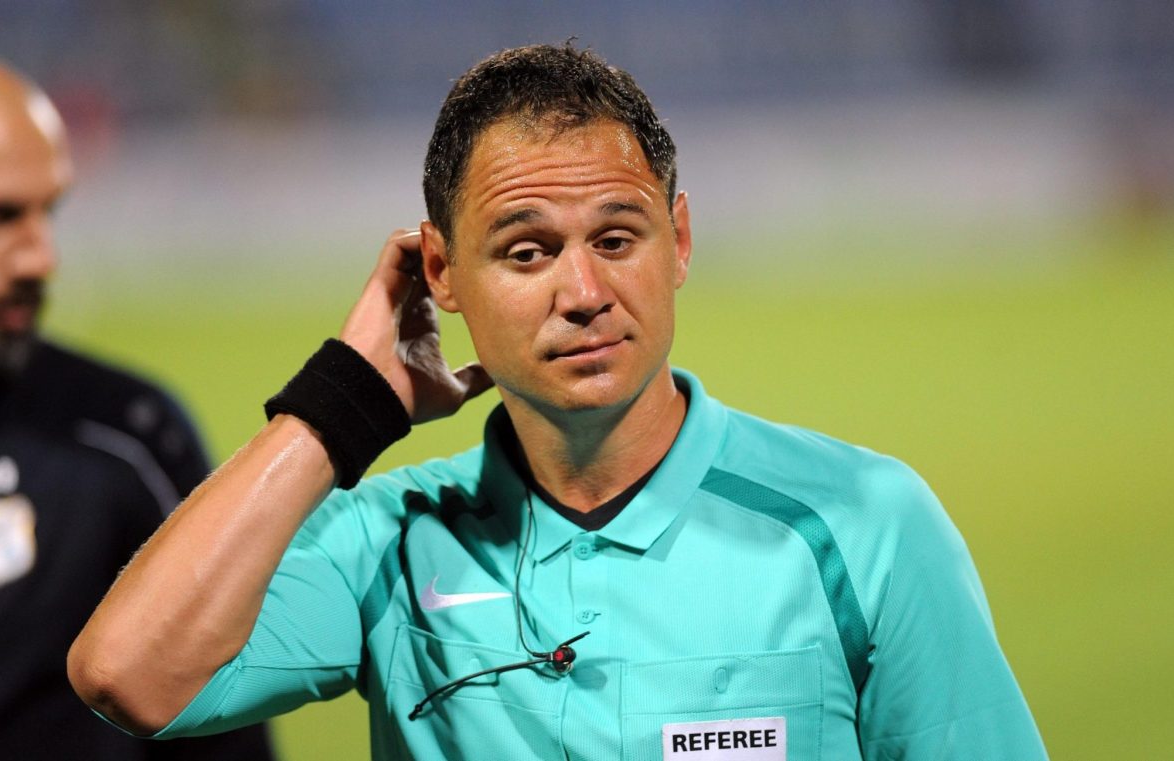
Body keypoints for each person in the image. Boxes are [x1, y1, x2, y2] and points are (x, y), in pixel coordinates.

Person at [69, 44, 1047, 760]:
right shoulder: (390, 543)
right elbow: (129, 673)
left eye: (616, 239)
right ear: (442, 273)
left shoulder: (864, 525)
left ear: (679, 242)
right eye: (527, 250)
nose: (583, 292)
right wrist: (341, 405)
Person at [0, 64, 276, 760]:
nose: (42, 259)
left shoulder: (126, 436)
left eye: (50, 212)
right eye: (4, 217)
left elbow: (223, 738)